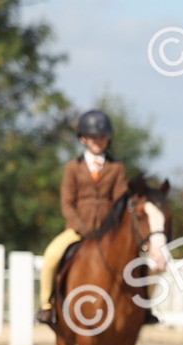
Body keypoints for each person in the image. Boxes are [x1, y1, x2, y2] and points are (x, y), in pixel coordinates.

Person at [38, 110, 156, 324]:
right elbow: (67, 203)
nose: (97, 141)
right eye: (93, 137)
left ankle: (145, 307)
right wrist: (81, 227)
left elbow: (120, 201)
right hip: (76, 231)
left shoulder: (116, 168)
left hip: (107, 232)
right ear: (83, 139)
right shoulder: (72, 168)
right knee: (51, 256)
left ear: (108, 138)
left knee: (141, 260)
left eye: (101, 137)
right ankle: (47, 306)